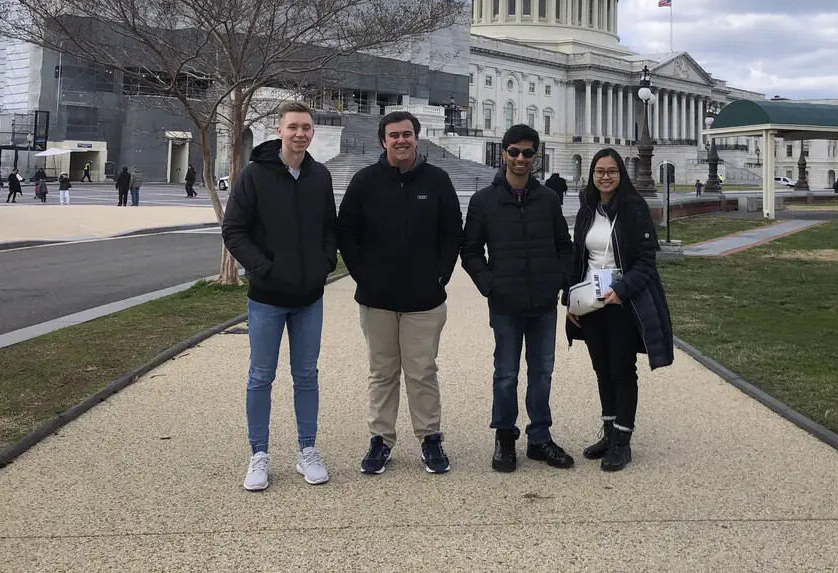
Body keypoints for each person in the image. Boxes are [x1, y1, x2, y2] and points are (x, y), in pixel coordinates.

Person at [338, 111, 462, 476]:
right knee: (382, 372)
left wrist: (440, 276)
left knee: (422, 371)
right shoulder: (364, 181)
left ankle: (430, 437)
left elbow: (452, 232)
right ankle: (381, 438)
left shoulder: (437, 181)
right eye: (394, 135)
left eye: (407, 134)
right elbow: (347, 233)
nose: (401, 141)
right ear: (383, 140)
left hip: (425, 298)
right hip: (377, 298)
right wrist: (364, 276)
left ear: (417, 137)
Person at [222, 100, 337, 492]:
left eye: (306, 127)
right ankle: (259, 454)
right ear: (279, 130)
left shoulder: (320, 176)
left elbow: (329, 228)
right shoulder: (255, 176)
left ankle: (307, 449)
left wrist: (324, 264)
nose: (300, 133)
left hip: (308, 297)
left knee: (306, 375)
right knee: (261, 376)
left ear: (312, 131)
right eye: (293, 127)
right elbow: (234, 229)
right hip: (268, 297)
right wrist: (263, 267)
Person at [462, 124, 575, 473]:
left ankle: (540, 438)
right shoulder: (484, 201)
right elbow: (470, 252)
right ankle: (505, 438)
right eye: (514, 152)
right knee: (506, 373)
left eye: (527, 152)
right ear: (504, 153)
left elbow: (564, 247)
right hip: (506, 302)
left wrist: (559, 280)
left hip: (542, 302)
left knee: (542, 373)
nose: (521, 159)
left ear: (535, 156)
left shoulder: (548, 199)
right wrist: (489, 285)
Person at [567, 148, 674, 472]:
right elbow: (577, 257)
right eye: (599, 171)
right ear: (592, 175)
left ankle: (623, 441)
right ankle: (609, 430)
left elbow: (645, 262)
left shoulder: (633, 208)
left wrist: (621, 290)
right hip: (592, 302)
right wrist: (570, 301)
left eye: (611, 171)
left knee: (622, 370)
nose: (605, 176)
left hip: (622, 302)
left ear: (621, 174)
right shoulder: (588, 208)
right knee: (602, 369)